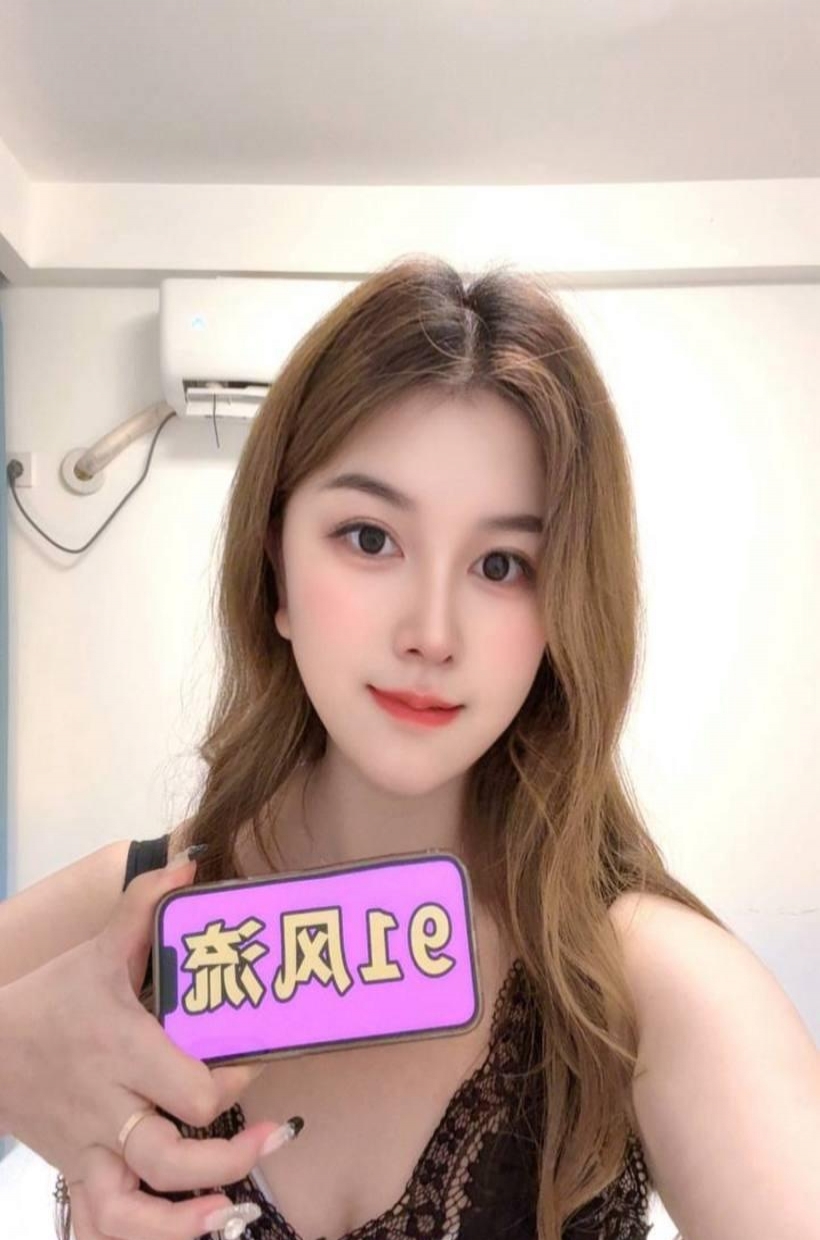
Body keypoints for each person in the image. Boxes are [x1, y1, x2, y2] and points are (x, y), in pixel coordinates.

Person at [1, 255, 817, 1240]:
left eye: (502, 563)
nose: (431, 632)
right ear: (274, 568)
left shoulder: (648, 984)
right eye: (370, 538)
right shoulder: (126, 918)